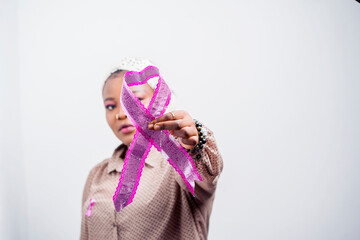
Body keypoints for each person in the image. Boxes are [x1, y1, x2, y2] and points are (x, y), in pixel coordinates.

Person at [80, 58, 223, 240]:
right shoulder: (97, 175)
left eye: (135, 99)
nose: (121, 113)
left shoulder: (178, 166)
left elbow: (207, 174)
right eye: (110, 106)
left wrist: (196, 142)